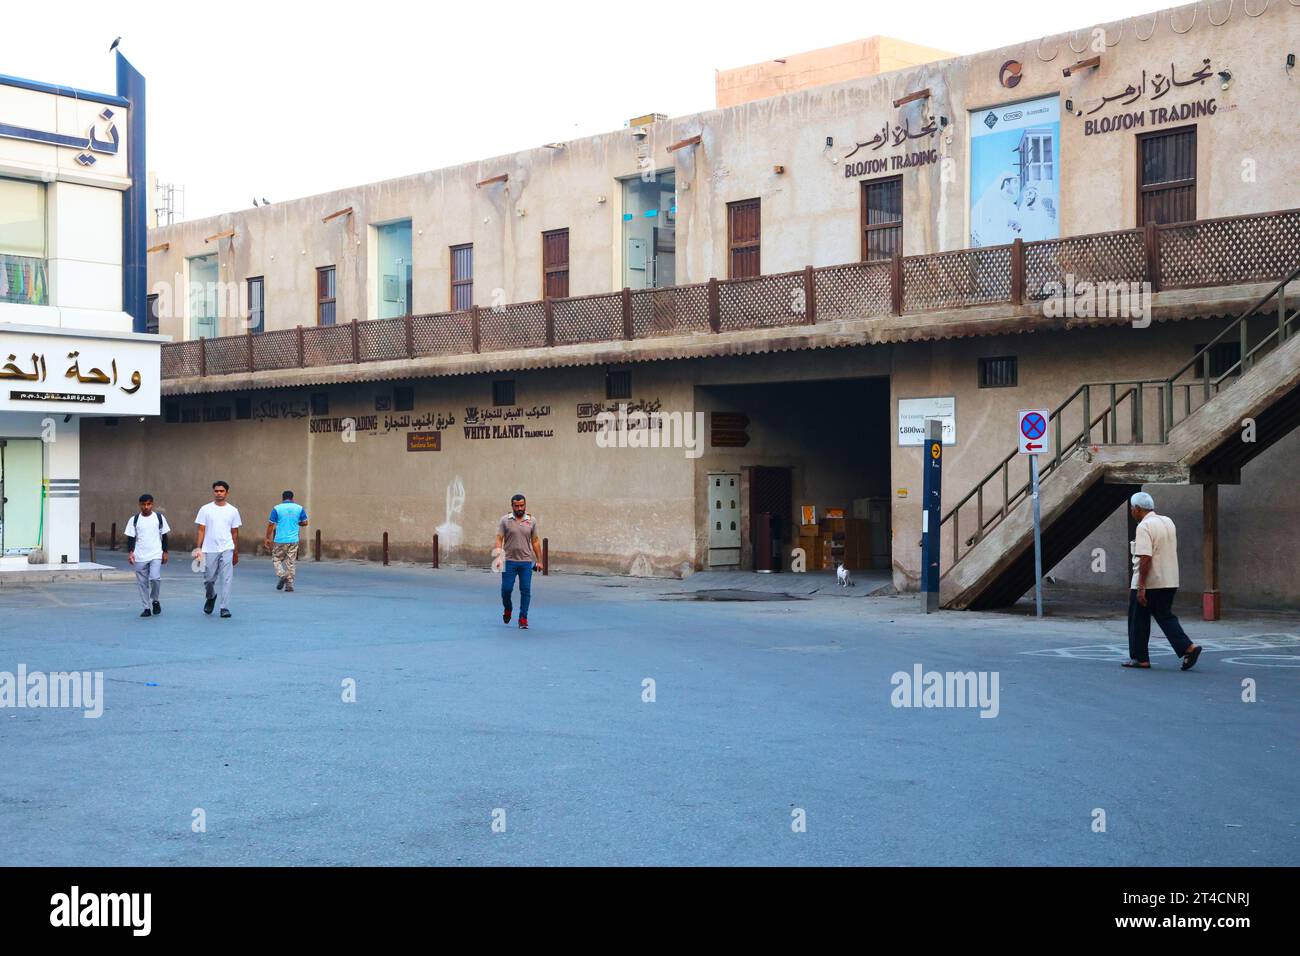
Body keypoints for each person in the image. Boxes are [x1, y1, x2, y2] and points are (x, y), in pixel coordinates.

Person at [1123, 491, 1202, 671]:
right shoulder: (1168, 521)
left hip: (1150, 582)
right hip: (1170, 580)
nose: (1131, 512)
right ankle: (1188, 647)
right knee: (1165, 616)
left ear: (1137, 509)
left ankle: (1140, 658)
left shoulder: (1144, 526)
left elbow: (1145, 558)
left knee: (1138, 620)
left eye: (1131, 509)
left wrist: (1141, 586)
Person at [194, 480, 241, 619]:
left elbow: (235, 532)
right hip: (209, 549)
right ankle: (211, 596)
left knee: (226, 578)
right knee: (208, 579)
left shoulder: (233, 511)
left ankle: (224, 607)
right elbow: (201, 530)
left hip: (227, 548)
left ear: (227, 493)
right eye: (216, 491)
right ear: (213, 492)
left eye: (221, 491)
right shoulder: (205, 509)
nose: (219, 493)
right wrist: (198, 548)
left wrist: (236, 551)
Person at [495, 494, 541, 630]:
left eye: (522, 505)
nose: (520, 508)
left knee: (525, 590)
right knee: (506, 590)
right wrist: (498, 556)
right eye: (517, 506)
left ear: (525, 505)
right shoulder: (505, 520)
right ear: (512, 506)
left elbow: (536, 541)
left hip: (526, 562)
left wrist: (539, 560)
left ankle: (523, 618)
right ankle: (508, 609)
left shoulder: (531, 520)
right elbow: (499, 539)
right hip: (509, 561)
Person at [125, 493, 170, 618]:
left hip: (156, 553)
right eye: (143, 504)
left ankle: (155, 600)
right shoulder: (134, 520)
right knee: (142, 583)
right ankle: (146, 608)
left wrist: (165, 552)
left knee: (155, 578)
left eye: (148, 504)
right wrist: (130, 552)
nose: (146, 507)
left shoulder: (159, 518)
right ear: (139, 505)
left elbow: (165, 536)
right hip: (140, 555)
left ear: (152, 504)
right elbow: (130, 537)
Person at [264, 490, 308, 592]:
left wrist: (267, 537)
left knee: (276, 559)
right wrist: (297, 523)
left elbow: (271, 524)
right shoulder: (299, 508)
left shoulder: (277, 508)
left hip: (280, 539)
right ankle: (289, 585)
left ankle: (282, 574)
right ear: (293, 498)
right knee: (291, 562)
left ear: (282, 498)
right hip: (294, 540)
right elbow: (305, 522)